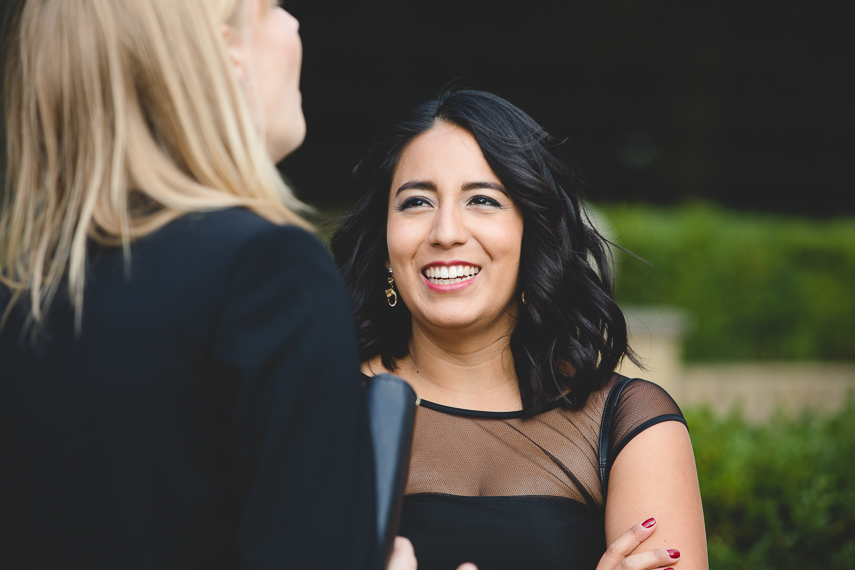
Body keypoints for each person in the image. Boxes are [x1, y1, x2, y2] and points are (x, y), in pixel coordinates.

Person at [0, 1, 377, 568]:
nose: (295, 24)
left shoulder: (22, 288)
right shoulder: (266, 271)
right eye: (272, 9)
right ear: (227, 52)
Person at [331, 90, 709, 570]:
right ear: (385, 245)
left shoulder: (625, 425)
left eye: (483, 200)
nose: (446, 231)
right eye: (417, 202)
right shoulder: (324, 406)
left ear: (534, 234)